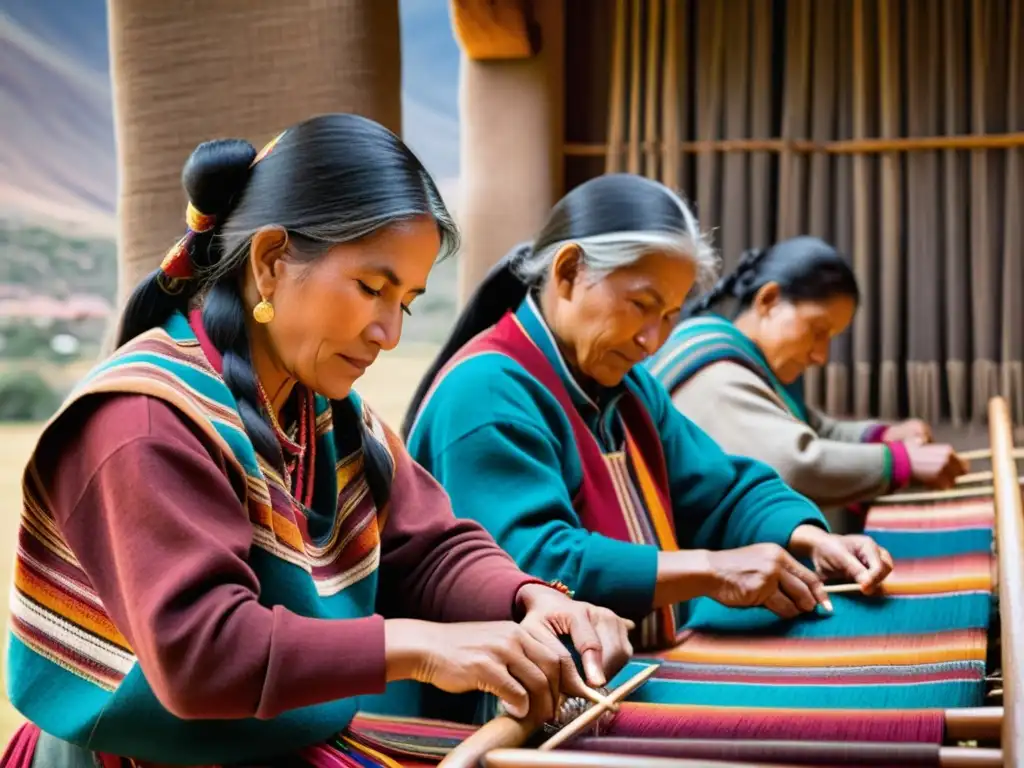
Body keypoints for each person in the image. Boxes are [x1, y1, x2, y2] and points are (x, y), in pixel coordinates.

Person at [1, 114, 634, 768]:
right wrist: (418, 647)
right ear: (272, 261)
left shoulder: (325, 413)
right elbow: (203, 653)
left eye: (407, 303)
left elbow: (429, 546)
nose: (387, 332)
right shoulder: (144, 420)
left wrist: (526, 598)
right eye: (371, 289)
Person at [401, 174, 893, 664]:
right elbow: (535, 563)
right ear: (568, 272)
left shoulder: (627, 386)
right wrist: (711, 570)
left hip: (621, 668)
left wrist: (812, 538)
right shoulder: (485, 391)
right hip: (505, 705)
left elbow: (719, 486)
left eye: (671, 315)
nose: (652, 341)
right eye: (641, 305)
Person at [643, 236, 968, 530]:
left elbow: (813, 427)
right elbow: (793, 465)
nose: (821, 355)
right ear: (768, 300)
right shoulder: (715, 376)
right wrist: (901, 462)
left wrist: (881, 435)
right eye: (817, 331)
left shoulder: (743, 356)